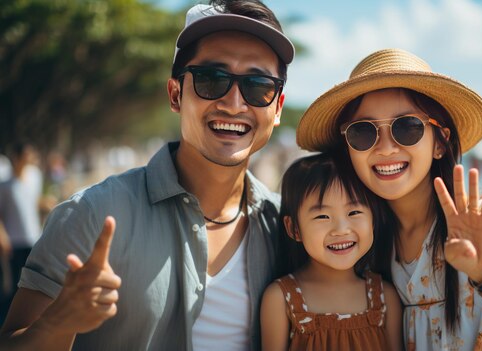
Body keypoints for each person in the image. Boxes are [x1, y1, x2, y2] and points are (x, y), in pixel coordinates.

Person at [0, 1, 294, 350]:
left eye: (258, 85)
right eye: (211, 79)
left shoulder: (289, 227)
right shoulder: (93, 215)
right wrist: (57, 323)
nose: (234, 103)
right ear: (175, 94)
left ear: (276, 107)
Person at [296, 49, 482, 351]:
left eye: (407, 127)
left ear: (440, 142)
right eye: (363, 133)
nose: (386, 148)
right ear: (348, 150)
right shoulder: (367, 242)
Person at [260, 153, 402, 350]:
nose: (341, 229)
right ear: (294, 228)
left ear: (373, 219)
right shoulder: (280, 298)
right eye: (322, 216)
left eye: (354, 212)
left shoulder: (385, 297)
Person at [0, 143, 42, 324]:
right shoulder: (5, 185)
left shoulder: (34, 178)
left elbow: (32, 204)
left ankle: (29, 321)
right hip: (14, 241)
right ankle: (8, 325)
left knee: (33, 283)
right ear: (17, 158)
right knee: (14, 285)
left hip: (33, 238)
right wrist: (3, 237)